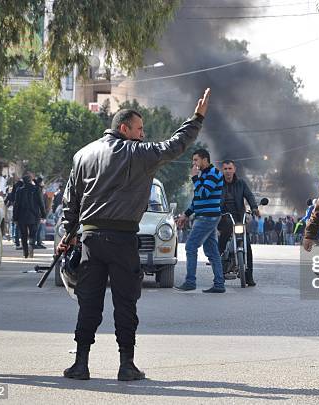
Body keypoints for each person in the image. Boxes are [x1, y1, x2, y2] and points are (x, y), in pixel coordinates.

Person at [58, 89, 210, 381]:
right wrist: (197, 118)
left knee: (88, 302)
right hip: (122, 239)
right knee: (125, 303)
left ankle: (80, 364)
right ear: (124, 129)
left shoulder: (83, 154)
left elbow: (71, 201)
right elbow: (175, 145)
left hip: (90, 240)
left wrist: (69, 234)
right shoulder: (137, 153)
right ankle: (126, 365)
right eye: (139, 129)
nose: (143, 135)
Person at [175, 148, 226, 293]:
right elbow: (197, 199)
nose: (194, 164)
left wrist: (194, 178)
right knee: (212, 251)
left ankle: (190, 282)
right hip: (205, 216)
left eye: (196, 160)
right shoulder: (204, 174)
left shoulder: (213, 174)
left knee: (190, 247)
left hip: (207, 217)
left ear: (205, 159)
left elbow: (203, 193)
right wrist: (186, 214)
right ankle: (219, 284)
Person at [217, 160, 259, 285]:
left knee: (247, 245)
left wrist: (254, 208)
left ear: (234, 169)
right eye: (225, 169)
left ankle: (249, 276)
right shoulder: (218, 184)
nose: (228, 171)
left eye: (230, 168)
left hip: (239, 218)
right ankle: (219, 273)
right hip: (224, 218)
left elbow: (249, 196)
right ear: (222, 170)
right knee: (221, 243)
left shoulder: (241, 184)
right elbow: (213, 199)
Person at [13, 175, 45, 259]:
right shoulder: (36, 189)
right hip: (34, 216)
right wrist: (43, 215)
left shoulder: (19, 190)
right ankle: (31, 246)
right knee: (32, 234)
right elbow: (41, 203)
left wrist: (15, 217)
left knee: (23, 235)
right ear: (30, 181)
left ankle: (25, 252)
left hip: (21, 216)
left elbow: (16, 205)